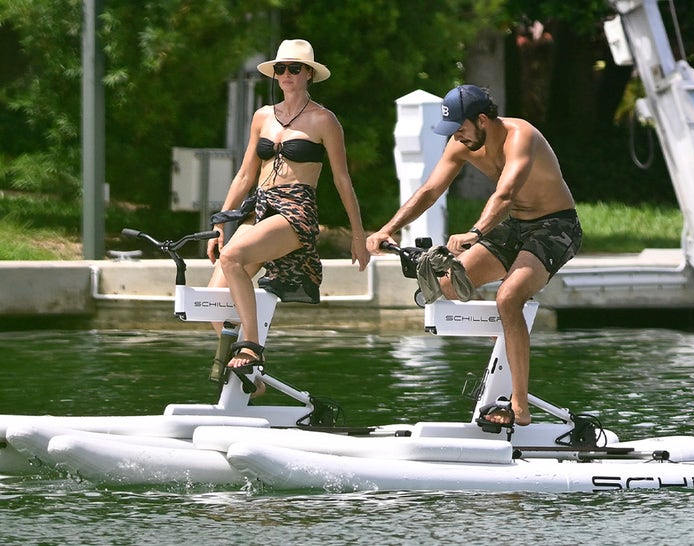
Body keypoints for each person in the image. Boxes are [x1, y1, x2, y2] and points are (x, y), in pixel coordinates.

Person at [366, 84, 581, 427]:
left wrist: (475, 234)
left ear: (482, 120)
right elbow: (429, 190)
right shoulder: (461, 144)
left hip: (557, 227)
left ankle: (520, 408)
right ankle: (506, 335)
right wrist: (386, 229)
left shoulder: (521, 136)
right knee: (450, 285)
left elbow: (506, 194)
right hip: (516, 226)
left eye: (461, 129)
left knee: (508, 297)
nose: (458, 138)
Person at [207, 39, 369, 386]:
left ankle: (251, 347)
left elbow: (343, 181)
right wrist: (222, 223)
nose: (286, 74)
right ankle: (255, 381)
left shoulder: (324, 120)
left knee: (233, 257)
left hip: (296, 211)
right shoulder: (263, 116)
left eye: (294, 68)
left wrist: (359, 236)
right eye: (280, 68)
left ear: (309, 74)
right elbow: (245, 175)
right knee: (213, 304)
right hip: (261, 209)